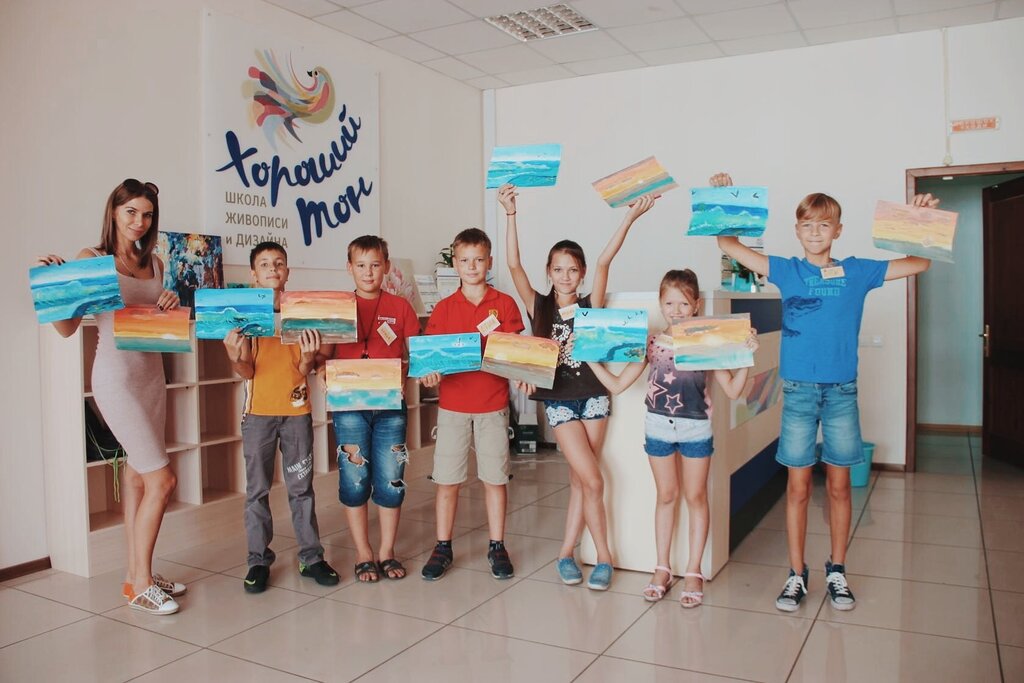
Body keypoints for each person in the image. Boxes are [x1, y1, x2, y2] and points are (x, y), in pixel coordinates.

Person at [713, 172, 936, 612]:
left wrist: (919, 221)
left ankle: (837, 570)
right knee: (797, 488)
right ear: (797, 231)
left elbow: (919, 264)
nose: (815, 232)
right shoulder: (787, 269)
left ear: (838, 230)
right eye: (807, 225)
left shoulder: (858, 271)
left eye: (824, 224)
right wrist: (722, 198)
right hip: (798, 392)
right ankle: (797, 573)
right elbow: (728, 244)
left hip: (841, 394)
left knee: (839, 487)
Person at [37, 178, 185, 615]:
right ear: (114, 212)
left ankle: (135, 575)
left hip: (152, 378)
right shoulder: (93, 259)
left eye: (147, 215)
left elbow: (154, 320)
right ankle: (142, 586)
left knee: (139, 477)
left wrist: (169, 303)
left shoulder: (156, 263)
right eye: (131, 212)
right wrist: (57, 283)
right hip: (115, 380)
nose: (140, 222)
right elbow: (66, 329)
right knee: (163, 480)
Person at [499, 183, 655, 590]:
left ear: (581, 274)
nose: (565, 276)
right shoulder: (539, 306)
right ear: (548, 272)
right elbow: (513, 265)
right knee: (595, 480)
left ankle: (566, 553)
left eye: (572, 269)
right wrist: (511, 213)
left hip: (594, 398)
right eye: (558, 269)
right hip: (560, 402)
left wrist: (630, 217)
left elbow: (605, 260)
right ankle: (604, 557)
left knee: (580, 481)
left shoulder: (590, 305)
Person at [587, 269, 755, 606]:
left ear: (697, 305)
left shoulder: (706, 341)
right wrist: (589, 357)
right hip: (658, 427)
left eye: (684, 303)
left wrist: (747, 357)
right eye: (669, 303)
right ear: (660, 304)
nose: (676, 310)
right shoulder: (650, 343)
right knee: (666, 495)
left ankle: (693, 570)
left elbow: (733, 390)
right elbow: (618, 385)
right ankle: (662, 568)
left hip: (696, 428)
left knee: (696, 497)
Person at [223, 241, 339, 594]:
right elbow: (246, 371)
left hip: (296, 414)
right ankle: (258, 560)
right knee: (257, 491)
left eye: (278, 263)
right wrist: (234, 354)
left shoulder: (300, 313)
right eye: (264, 264)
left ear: (287, 271)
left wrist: (308, 356)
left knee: (301, 489)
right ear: (253, 274)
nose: (272, 269)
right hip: (258, 415)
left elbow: (304, 369)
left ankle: (311, 557)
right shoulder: (245, 316)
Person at [419, 228, 527, 581]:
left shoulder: (505, 304)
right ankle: (442, 546)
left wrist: (523, 373)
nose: (471, 266)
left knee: (495, 478)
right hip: (452, 406)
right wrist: (428, 375)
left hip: (493, 405)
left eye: (478, 260)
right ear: (455, 263)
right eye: (464, 260)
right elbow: (430, 359)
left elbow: (516, 352)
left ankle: (497, 545)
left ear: (489, 262)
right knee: (447, 479)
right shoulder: (444, 308)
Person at [322, 235, 421, 582]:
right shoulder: (338, 308)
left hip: (391, 407)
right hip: (349, 408)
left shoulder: (401, 308)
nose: (368, 272)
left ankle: (387, 551)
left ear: (386, 267)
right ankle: (363, 552)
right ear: (349, 268)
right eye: (361, 265)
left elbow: (415, 354)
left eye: (375, 265)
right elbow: (323, 358)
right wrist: (323, 372)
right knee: (354, 478)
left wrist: (408, 372)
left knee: (391, 479)